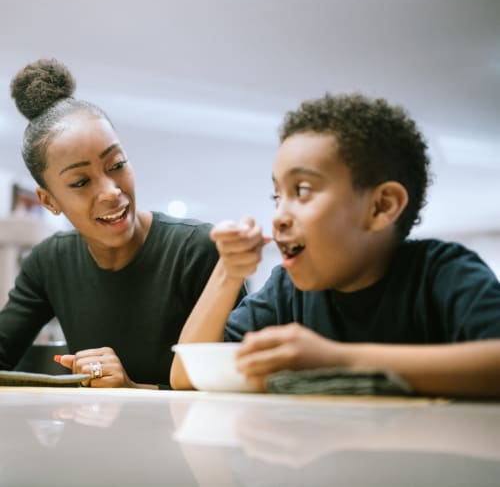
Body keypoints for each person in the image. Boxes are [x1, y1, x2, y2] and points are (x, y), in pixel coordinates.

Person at [170, 93, 500, 397]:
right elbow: (186, 376)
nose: (278, 217)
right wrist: (228, 272)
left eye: (301, 191)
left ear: (381, 206)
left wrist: (338, 360)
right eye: (277, 196)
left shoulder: (441, 272)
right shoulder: (286, 291)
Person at [0, 58, 244, 389]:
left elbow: (243, 383)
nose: (111, 192)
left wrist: (133, 389)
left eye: (116, 164)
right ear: (49, 201)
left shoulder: (199, 251)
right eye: (80, 182)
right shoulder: (48, 263)